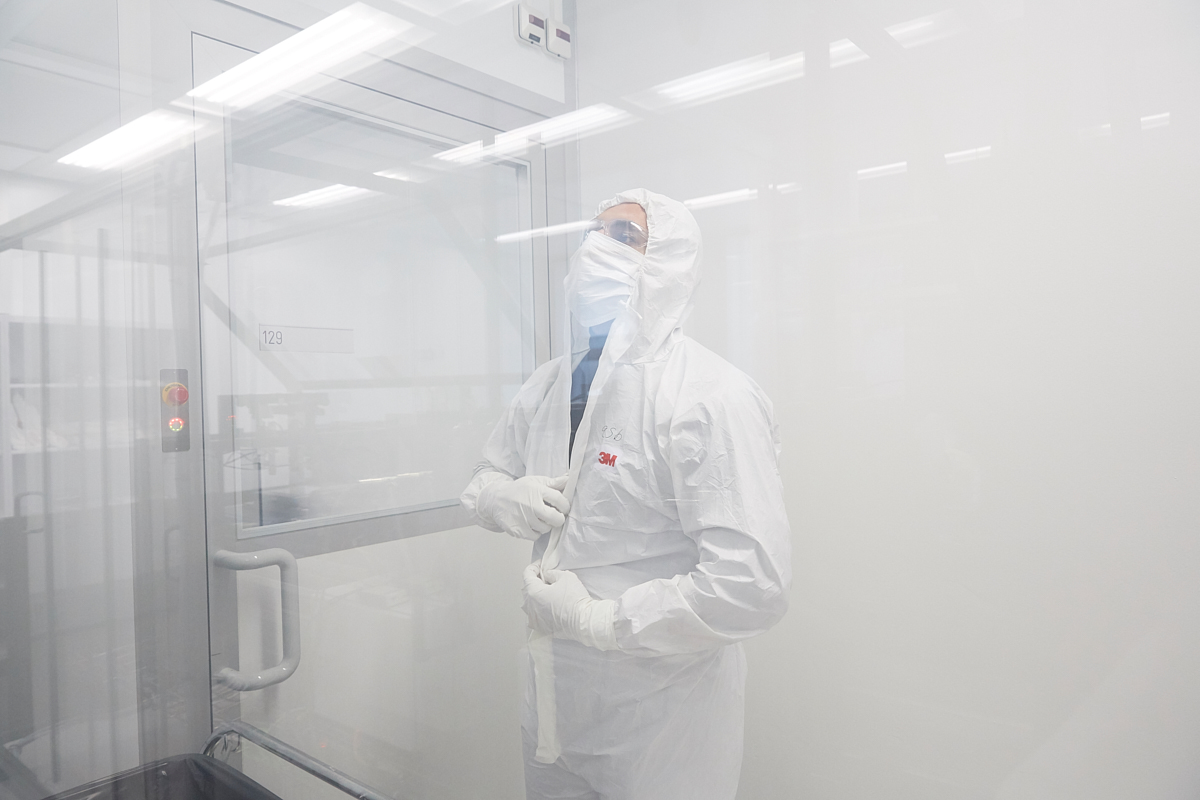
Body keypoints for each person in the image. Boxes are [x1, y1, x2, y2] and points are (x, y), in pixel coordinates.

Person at [460, 189, 791, 800]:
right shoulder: (549, 383)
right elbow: (482, 477)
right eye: (593, 231)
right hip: (553, 700)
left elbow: (751, 585)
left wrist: (600, 620)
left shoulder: (709, 396)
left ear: (667, 263)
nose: (594, 247)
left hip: (661, 723)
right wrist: (499, 500)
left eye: (622, 237)